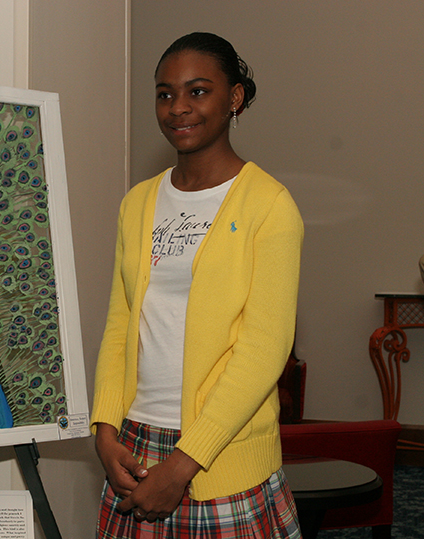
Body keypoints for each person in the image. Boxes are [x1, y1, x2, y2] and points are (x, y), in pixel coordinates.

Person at [91, 32, 303, 538]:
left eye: (198, 91)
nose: (178, 108)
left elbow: (264, 350)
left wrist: (185, 462)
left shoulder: (269, 206)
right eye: (165, 94)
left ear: (234, 99)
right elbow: (121, 325)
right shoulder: (137, 203)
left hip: (217, 457)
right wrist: (103, 431)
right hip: (134, 449)